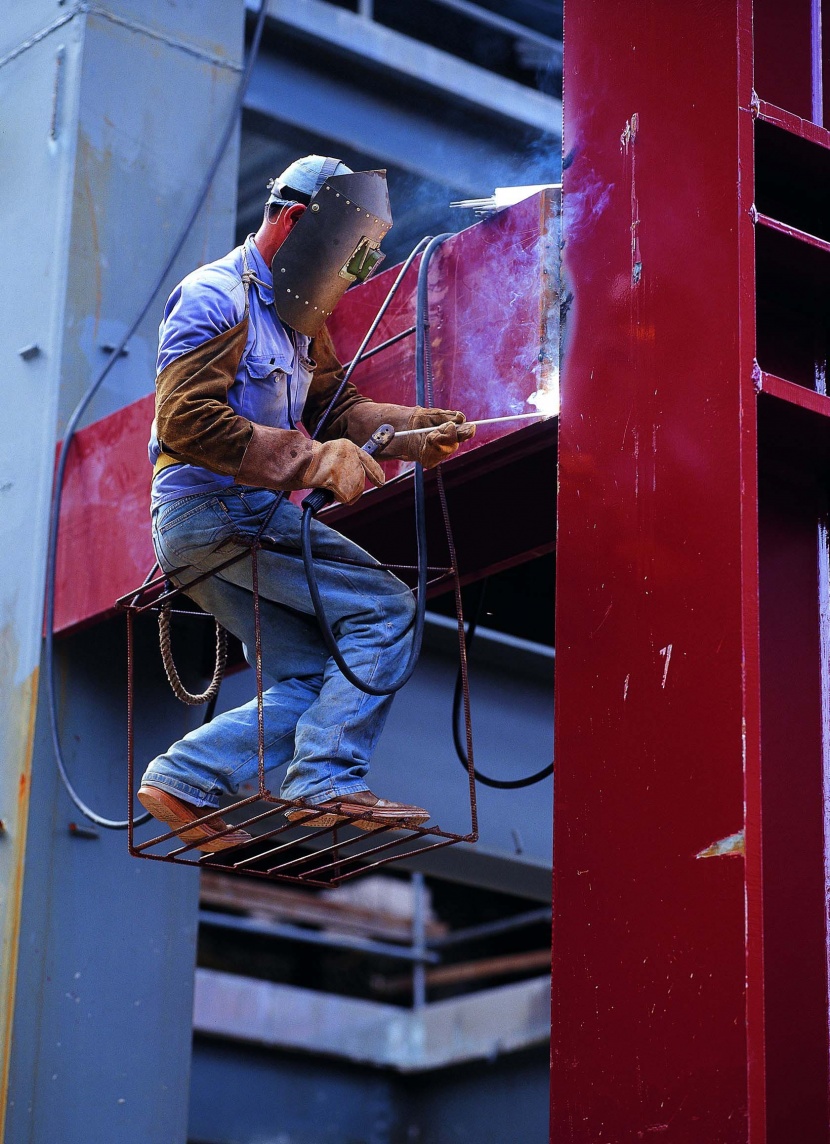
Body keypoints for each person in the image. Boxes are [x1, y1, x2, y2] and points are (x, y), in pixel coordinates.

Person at [136, 155, 474, 851]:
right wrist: (310, 461)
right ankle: (324, 780)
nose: (349, 274)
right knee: (386, 611)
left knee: (312, 675)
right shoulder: (215, 296)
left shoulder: (296, 317)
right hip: (218, 511)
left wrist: (411, 433)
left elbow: (337, 409)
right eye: (347, 254)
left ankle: (185, 778)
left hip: (221, 525)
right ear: (296, 222)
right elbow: (186, 420)